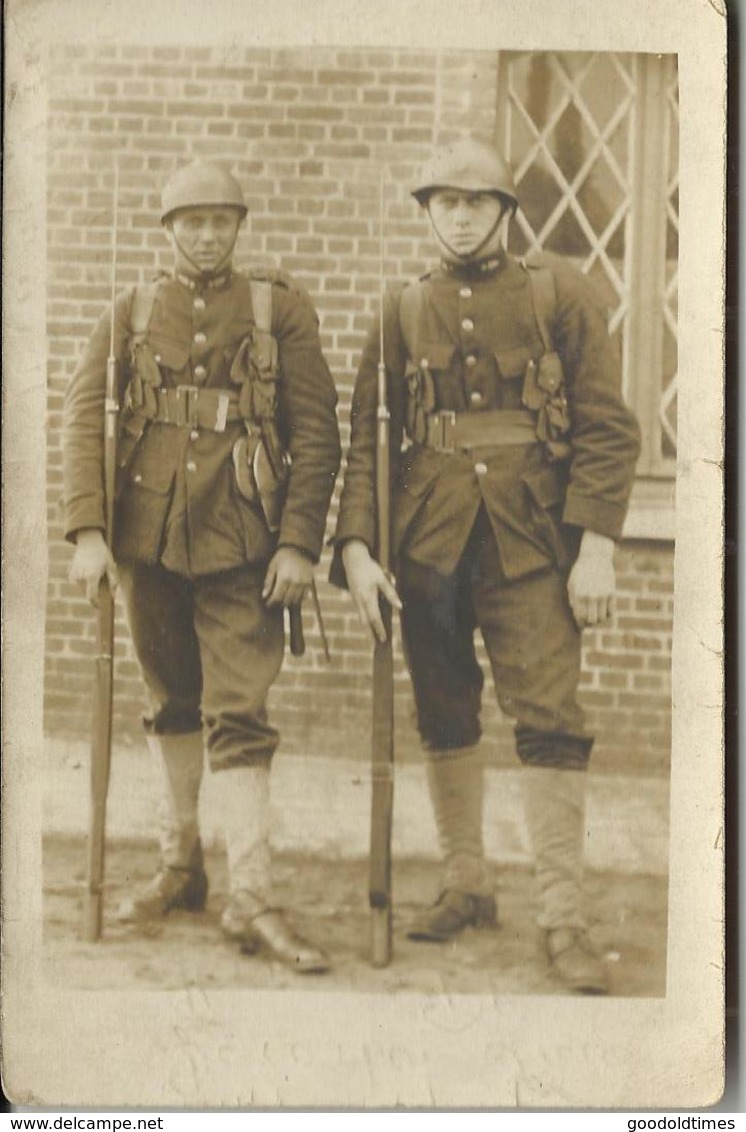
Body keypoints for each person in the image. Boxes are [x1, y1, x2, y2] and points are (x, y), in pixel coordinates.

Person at [331, 138, 641, 993]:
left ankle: (562, 916)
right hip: (425, 549)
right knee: (444, 713)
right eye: (444, 202)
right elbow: (370, 438)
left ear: (507, 210)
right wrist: (356, 547)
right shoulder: (398, 310)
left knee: (549, 715)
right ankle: (467, 883)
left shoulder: (559, 296)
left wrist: (600, 548)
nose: (459, 215)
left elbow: (608, 432)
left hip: (533, 544)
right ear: (427, 212)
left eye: (476, 201)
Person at [63, 159, 341, 974]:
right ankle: (180, 866)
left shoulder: (277, 311)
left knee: (240, 711)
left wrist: (296, 543)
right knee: (169, 703)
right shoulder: (130, 312)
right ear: (168, 230)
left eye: (221, 221)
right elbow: (85, 422)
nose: (207, 235)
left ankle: (251, 895)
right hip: (147, 541)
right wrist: (88, 532)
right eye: (191, 222)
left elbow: (317, 435)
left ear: (239, 226)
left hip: (242, 543)